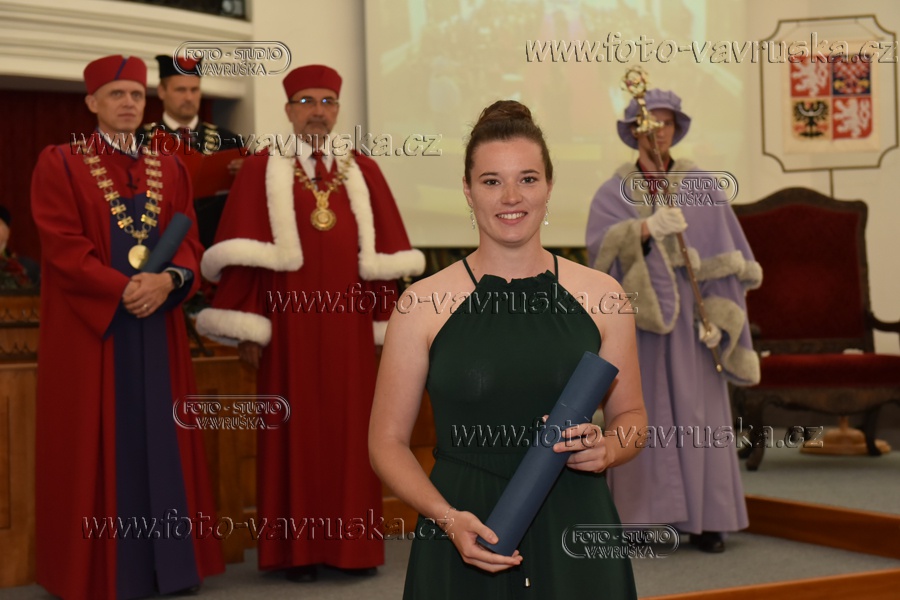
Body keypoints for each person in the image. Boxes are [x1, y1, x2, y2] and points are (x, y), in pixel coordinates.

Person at [369, 100, 645, 598]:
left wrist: (608, 448)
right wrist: (446, 518)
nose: (511, 197)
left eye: (528, 179)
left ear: (549, 187)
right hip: (463, 524)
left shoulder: (603, 295)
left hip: (576, 521)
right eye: (492, 181)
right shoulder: (421, 304)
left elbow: (632, 419)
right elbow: (386, 443)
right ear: (468, 190)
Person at [196, 64, 425, 581]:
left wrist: (384, 325)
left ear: (338, 109)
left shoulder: (363, 170)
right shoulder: (261, 168)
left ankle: (352, 549)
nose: (317, 111)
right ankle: (295, 552)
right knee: (292, 434)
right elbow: (246, 257)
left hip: (349, 331)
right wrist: (249, 326)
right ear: (288, 109)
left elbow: (382, 262)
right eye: (306, 101)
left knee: (353, 434)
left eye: (327, 101)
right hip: (287, 331)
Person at [30, 55, 223, 599]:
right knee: (94, 444)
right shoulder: (60, 163)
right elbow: (63, 249)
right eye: (116, 94)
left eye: (136, 95)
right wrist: (124, 289)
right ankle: (99, 573)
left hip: (157, 325)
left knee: (162, 438)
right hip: (95, 334)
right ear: (92, 102)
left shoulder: (171, 167)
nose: (128, 103)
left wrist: (170, 281)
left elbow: (189, 243)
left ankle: (169, 569)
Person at [585, 88, 762, 553]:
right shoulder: (614, 189)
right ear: (632, 131)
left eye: (665, 123)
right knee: (639, 411)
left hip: (693, 326)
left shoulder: (703, 184)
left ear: (676, 128)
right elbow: (598, 254)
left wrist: (720, 319)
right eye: (648, 124)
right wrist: (645, 229)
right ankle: (642, 520)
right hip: (641, 321)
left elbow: (730, 260)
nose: (657, 132)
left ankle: (709, 520)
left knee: (699, 414)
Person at [144, 54, 244, 247]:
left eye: (194, 90)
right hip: (159, 242)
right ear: (162, 91)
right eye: (180, 90)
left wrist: (247, 174)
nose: (189, 97)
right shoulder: (141, 140)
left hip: (215, 244)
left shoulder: (229, 140)